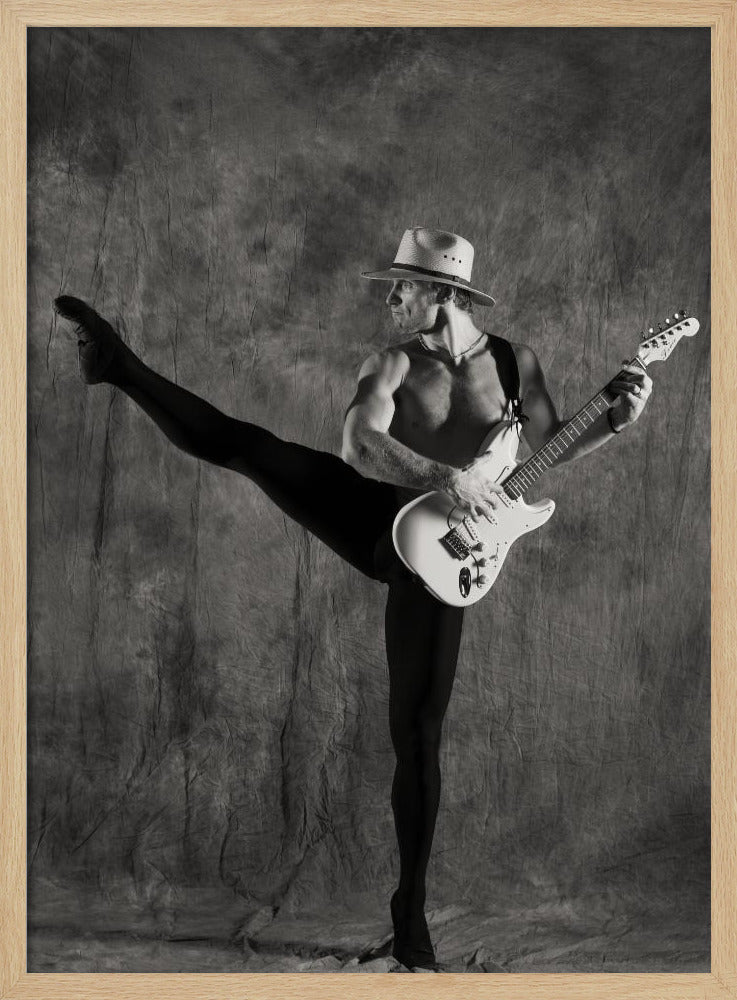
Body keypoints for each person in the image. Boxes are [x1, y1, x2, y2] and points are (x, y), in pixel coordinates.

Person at [53, 226, 652, 972]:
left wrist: (614, 423)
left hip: (442, 559)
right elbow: (357, 444)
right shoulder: (392, 362)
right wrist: (448, 478)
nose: (391, 298)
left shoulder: (513, 363)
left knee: (418, 736)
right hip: (377, 517)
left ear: (444, 292)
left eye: (403, 285)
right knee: (251, 447)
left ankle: (411, 920)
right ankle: (117, 363)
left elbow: (552, 441)